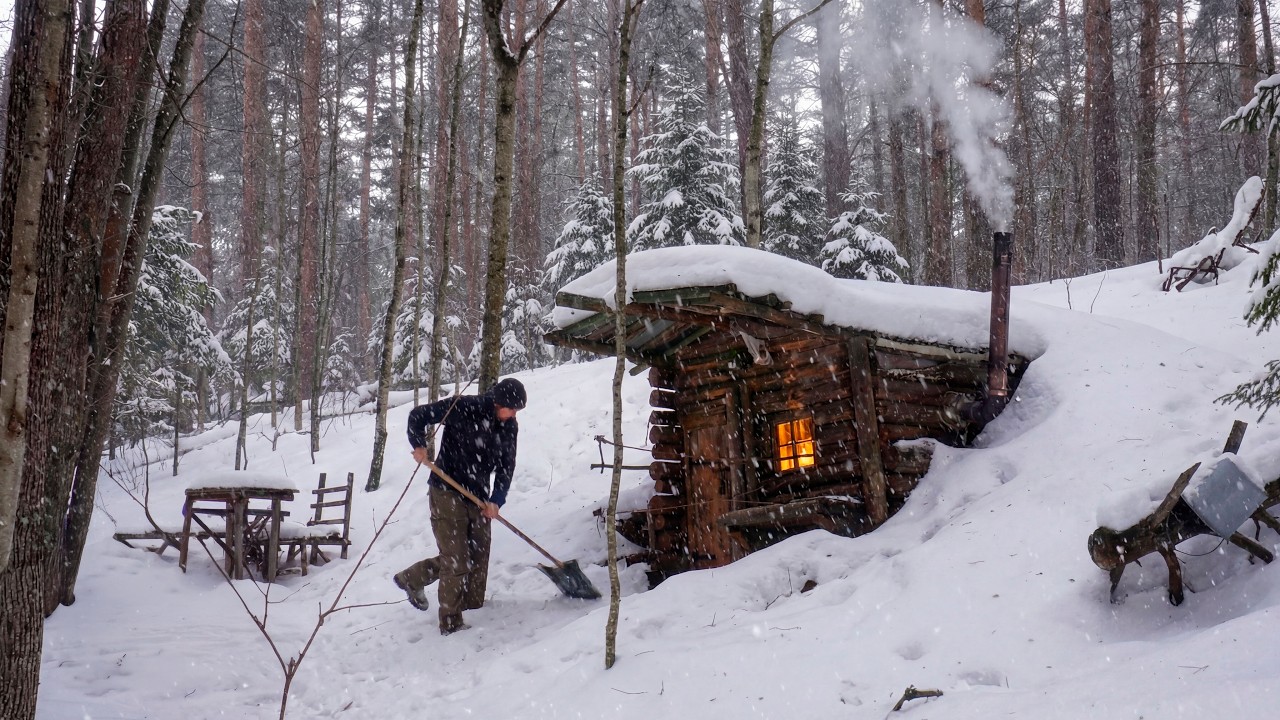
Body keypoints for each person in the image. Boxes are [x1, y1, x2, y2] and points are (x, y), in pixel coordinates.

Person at [393, 377, 526, 635]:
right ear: (498, 402)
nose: (513, 415)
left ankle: (435, 587)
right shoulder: (464, 407)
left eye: (518, 411)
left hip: (478, 495)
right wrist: (418, 445)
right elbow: (418, 416)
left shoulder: (509, 427)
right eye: (512, 409)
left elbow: (506, 467)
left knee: (477, 555)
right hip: (446, 491)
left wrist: (496, 501)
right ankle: (451, 622)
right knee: (456, 560)